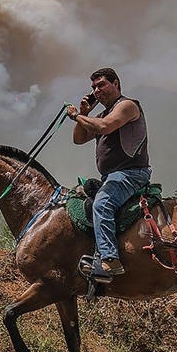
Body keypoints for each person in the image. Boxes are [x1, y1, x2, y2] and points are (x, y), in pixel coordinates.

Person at [66, 68, 151, 284]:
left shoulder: (127, 105)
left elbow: (104, 128)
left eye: (101, 84)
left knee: (102, 204)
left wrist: (76, 115)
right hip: (112, 176)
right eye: (94, 87)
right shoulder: (102, 114)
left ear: (116, 83)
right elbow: (78, 139)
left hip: (130, 174)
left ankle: (110, 260)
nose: (96, 90)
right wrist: (83, 114)